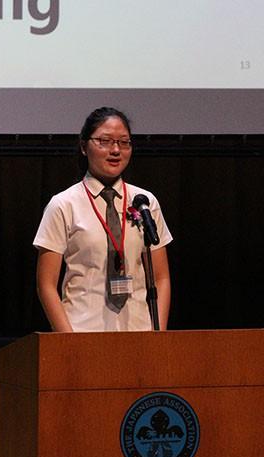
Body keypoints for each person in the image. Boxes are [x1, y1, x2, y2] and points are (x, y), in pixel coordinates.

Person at [33, 107, 173, 332]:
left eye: (124, 142)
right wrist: (68, 341)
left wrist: (158, 335)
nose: (116, 150)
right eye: (105, 141)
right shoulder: (64, 204)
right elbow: (46, 284)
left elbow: (161, 277)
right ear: (83, 146)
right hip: (83, 332)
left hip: (139, 333)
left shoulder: (145, 202)